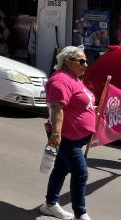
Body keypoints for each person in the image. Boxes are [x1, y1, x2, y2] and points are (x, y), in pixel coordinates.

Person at [39, 46, 95, 220]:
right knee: (80, 173)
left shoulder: (74, 78)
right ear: (68, 62)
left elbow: (77, 104)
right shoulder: (60, 80)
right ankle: (80, 213)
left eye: (86, 61)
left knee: (61, 169)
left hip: (76, 137)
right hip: (66, 137)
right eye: (82, 61)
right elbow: (57, 108)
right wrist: (56, 135)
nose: (86, 64)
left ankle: (50, 205)